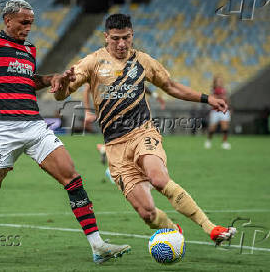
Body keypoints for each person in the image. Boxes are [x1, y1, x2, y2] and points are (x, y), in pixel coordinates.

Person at [0, 0, 130, 264]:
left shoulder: (29, 49)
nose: (28, 27)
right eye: (24, 22)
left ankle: (97, 245)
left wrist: (53, 78)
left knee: (72, 178)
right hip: (5, 129)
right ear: (8, 20)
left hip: (34, 125)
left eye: (31, 23)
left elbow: (30, 82)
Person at [54, 14, 236, 246]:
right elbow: (63, 93)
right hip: (115, 147)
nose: (122, 44)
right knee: (147, 213)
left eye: (127, 38)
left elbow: (170, 86)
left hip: (143, 133)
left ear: (132, 36)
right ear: (106, 37)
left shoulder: (143, 61)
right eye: (116, 39)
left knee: (158, 178)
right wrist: (61, 85)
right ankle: (173, 231)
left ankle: (211, 228)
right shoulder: (92, 62)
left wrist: (206, 98)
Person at [82, 83, 165, 183]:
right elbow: (87, 88)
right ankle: (116, 170)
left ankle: (110, 158)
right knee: (132, 142)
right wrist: (87, 111)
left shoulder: (129, 71)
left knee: (131, 142)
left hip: (128, 111)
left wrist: (154, 96)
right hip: (116, 112)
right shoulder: (101, 70)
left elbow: (140, 82)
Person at [204, 75, 231, 149]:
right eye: (218, 81)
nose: (219, 82)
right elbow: (212, 98)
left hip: (224, 110)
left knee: (225, 128)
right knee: (212, 128)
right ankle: (208, 140)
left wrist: (229, 108)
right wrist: (220, 96)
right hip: (215, 111)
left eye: (220, 80)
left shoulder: (225, 89)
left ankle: (225, 142)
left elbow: (227, 99)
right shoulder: (213, 89)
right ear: (215, 82)